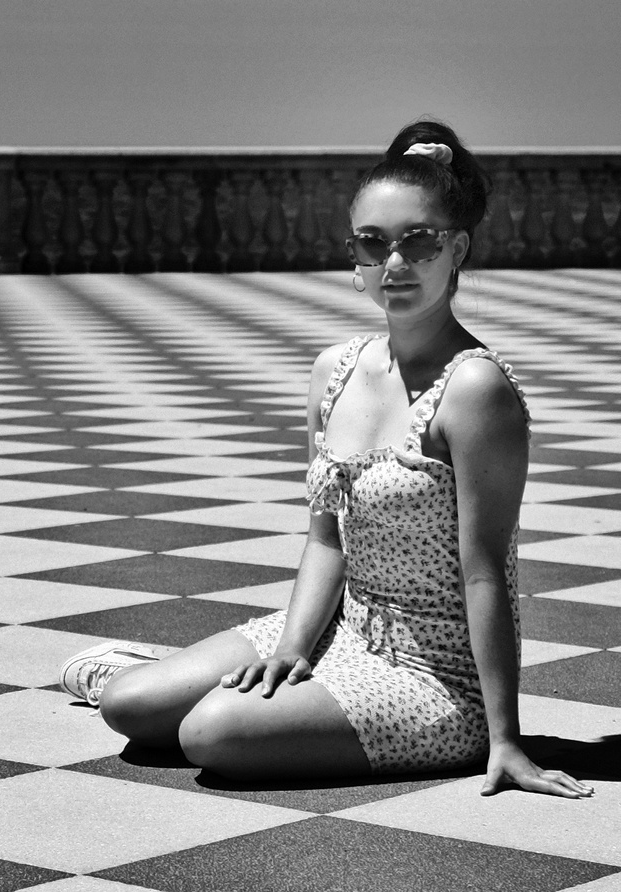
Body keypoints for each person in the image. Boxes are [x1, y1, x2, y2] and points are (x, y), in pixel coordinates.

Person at [59, 119, 594, 800]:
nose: (393, 264)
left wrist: (505, 739)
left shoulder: (475, 390)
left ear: (456, 248)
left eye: (417, 242)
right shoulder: (334, 371)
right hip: (338, 627)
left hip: (432, 677)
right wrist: (291, 647)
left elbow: (487, 573)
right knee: (128, 707)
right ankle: (143, 674)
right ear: (355, 259)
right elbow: (325, 542)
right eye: (373, 244)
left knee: (210, 735)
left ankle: (238, 703)